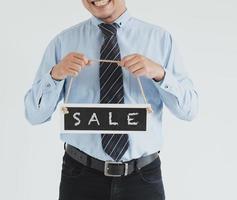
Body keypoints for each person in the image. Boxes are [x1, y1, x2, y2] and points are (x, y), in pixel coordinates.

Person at [24, 0, 199, 199]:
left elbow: (189, 110)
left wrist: (159, 73)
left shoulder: (160, 40)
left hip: (142, 178)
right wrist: (55, 74)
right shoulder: (63, 42)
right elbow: (34, 115)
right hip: (80, 177)